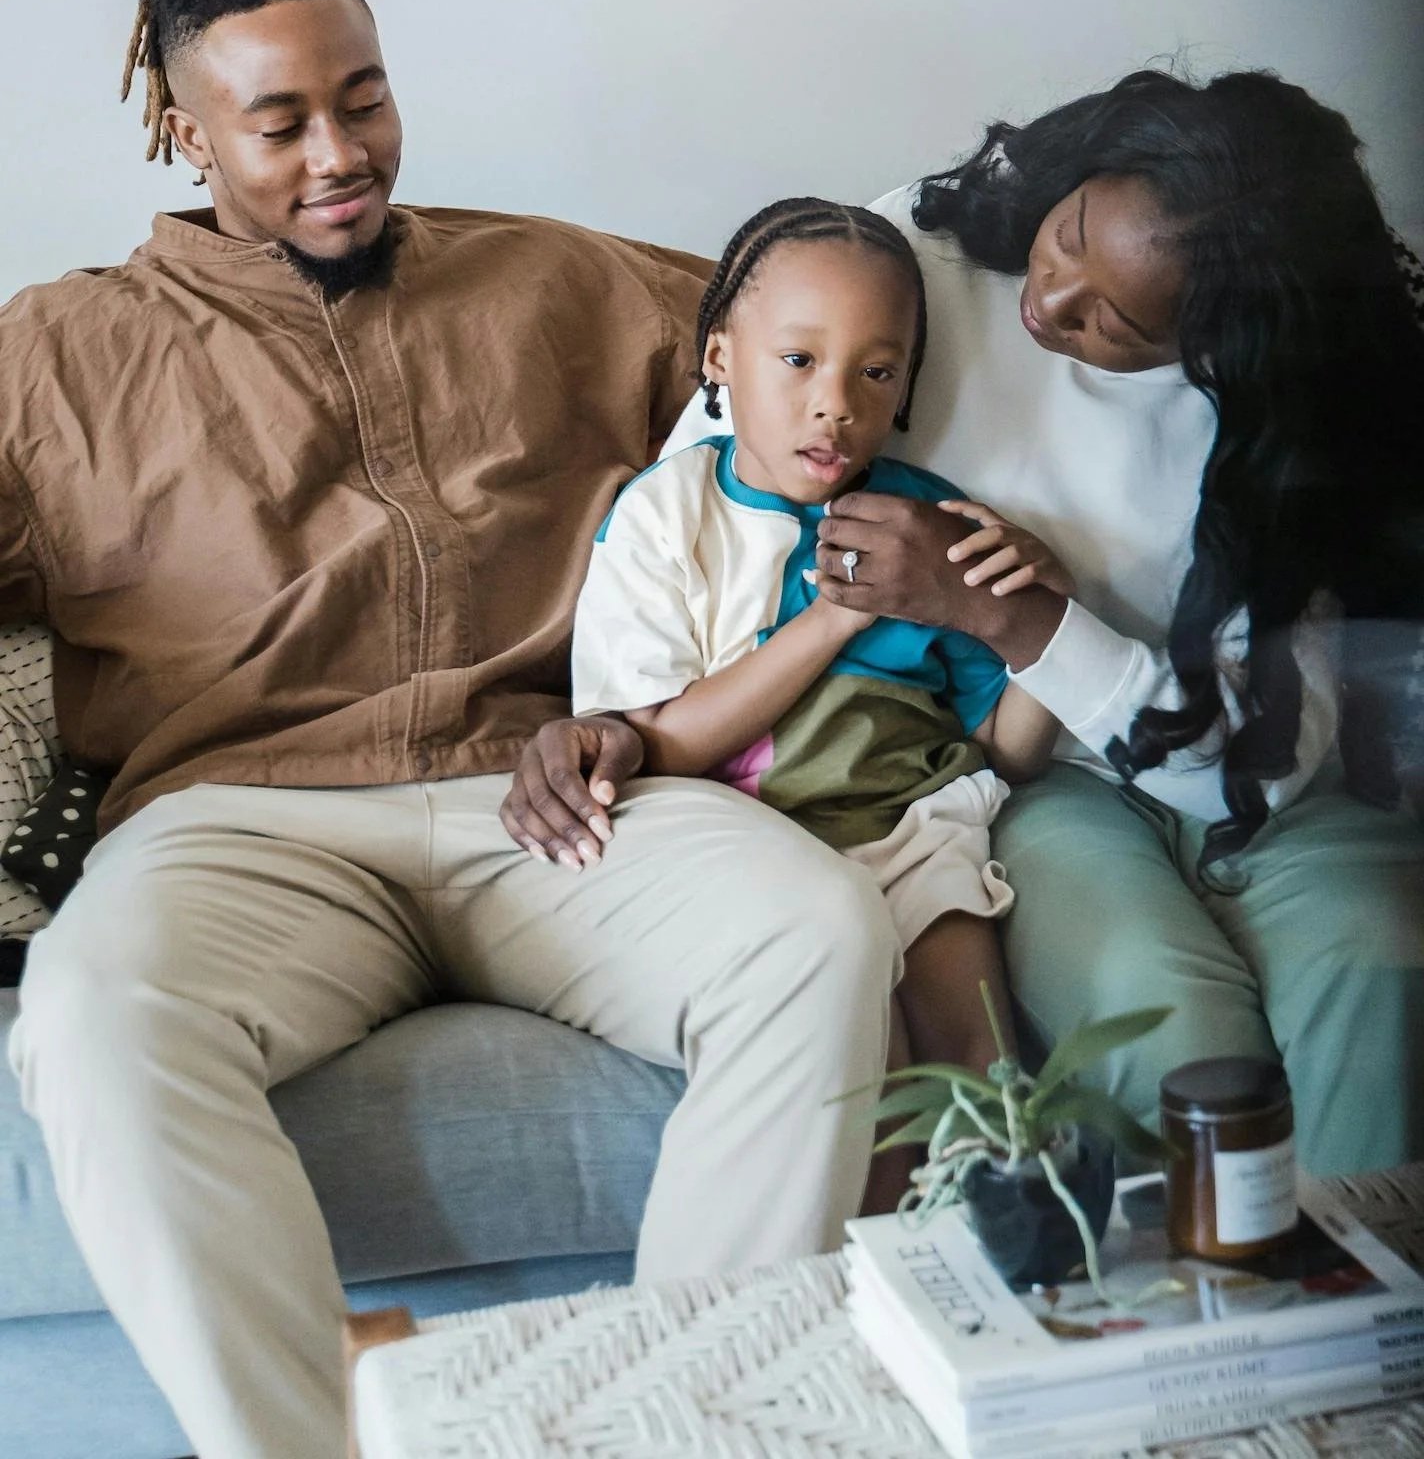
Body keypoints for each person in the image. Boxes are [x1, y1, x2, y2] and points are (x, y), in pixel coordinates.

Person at [1, 0, 900, 1459]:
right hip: (239, 830)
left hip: (556, 800)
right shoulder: (57, 358)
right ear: (184, 130)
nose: (340, 153)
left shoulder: (561, 282)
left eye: (364, 99)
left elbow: (819, 322)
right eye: (281, 122)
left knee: (812, 932)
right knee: (89, 1012)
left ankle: (695, 1434)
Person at [530, 71, 1424, 1177]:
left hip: (1226, 777)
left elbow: (1249, 765)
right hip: (1056, 798)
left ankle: (1350, 1282)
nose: (1049, 300)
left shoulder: (1291, 419)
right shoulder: (921, 252)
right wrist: (616, 727)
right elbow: (718, 490)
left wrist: (1020, 617)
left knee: (1379, 963)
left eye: (1113, 321)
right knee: (1165, 1017)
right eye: (1068, 236)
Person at [571, 199, 1059, 1096]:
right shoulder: (665, 516)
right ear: (720, 357)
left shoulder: (932, 525)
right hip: (751, 845)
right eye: (799, 361)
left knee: (985, 1073)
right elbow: (659, 748)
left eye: (877, 372)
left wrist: (1043, 618)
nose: (836, 404)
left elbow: (1007, 752)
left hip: (912, 830)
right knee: (863, 1073)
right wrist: (838, 615)